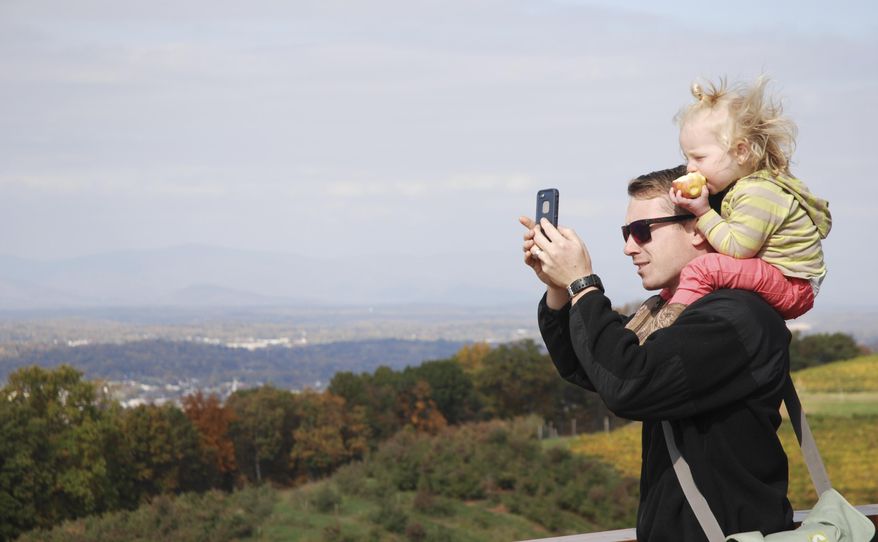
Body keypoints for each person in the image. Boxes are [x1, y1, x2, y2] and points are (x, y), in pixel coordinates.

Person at [519, 166, 794, 541]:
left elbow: (630, 383)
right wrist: (558, 287)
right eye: (627, 233)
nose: (629, 247)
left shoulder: (733, 318)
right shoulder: (670, 313)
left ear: (697, 227)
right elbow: (592, 364)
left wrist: (581, 283)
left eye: (642, 231)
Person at [667, 76, 831, 320]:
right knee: (691, 264)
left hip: (792, 285)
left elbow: (738, 249)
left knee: (705, 268)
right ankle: (667, 304)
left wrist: (703, 212)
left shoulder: (758, 193)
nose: (690, 167)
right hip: (779, 277)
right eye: (687, 158)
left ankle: (671, 323)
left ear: (741, 152)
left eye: (699, 158)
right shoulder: (745, 187)